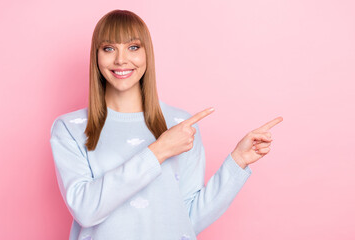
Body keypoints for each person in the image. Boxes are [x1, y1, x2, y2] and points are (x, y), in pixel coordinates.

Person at [49, 9, 283, 240]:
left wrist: (238, 162)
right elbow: (85, 210)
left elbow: (189, 219)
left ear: (147, 54)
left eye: (133, 47)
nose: (121, 59)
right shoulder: (70, 128)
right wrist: (159, 151)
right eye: (109, 48)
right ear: (96, 56)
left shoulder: (181, 124)